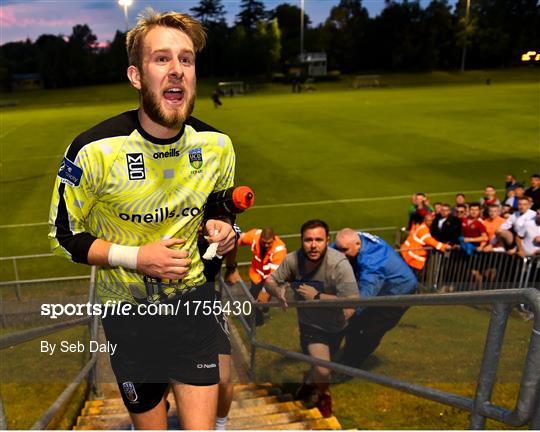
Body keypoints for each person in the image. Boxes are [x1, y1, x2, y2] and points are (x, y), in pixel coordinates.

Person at [48, 10, 237, 430]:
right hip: (128, 315)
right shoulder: (92, 150)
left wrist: (224, 232)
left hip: (194, 305)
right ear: (136, 75)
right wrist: (136, 258)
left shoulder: (217, 147)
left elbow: (219, 211)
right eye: (162, 59)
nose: (176, 71)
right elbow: (63, 236)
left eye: (186, 60)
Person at [265, 220, 359, 418]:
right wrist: (278, 291)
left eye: (319, 239)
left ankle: (308, 382)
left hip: (336, 325)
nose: (313, 245)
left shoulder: (339, 264)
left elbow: (352, 301)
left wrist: (318, 297)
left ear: (327, 241)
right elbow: (270, 281)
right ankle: (324, 395)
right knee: (324, 371)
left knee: (321, 366)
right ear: (301, 240)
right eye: (308, 240)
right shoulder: (293, 260)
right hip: (310, 325)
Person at [332, 229, 417, 373]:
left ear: (358, 244)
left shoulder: (373, 264)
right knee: (354, 326)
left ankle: (349, 368)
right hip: (382, 287)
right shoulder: (350, 241)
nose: (341, 254)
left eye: (344, 250)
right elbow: (331, 251)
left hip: (397, 294)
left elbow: (364, 298)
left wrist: (346, 314)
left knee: (370, 332)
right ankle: (344, 358)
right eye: (339, 249)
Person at [225, 227, 287, 326]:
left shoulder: (280, 250)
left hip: (270, 278)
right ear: (260, 238)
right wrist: (230, 251)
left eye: (269, 243)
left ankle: (257, 322)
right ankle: (260, 315)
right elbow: (238, 239)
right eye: (264, 242)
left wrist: (265, 292)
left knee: (260, 298)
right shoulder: (255, 236)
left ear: (274, 239)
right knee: (254, 297)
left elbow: (274, 276)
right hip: (256, 275)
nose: (266, 245)